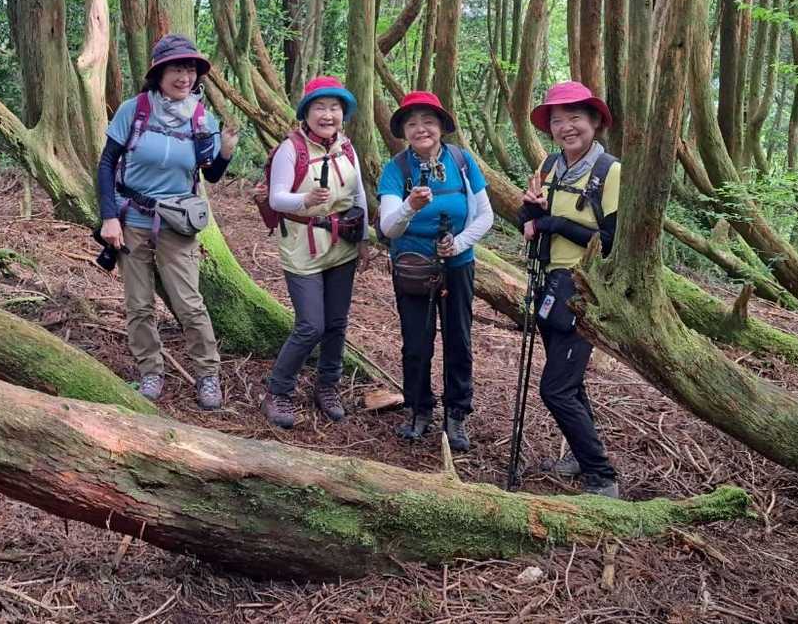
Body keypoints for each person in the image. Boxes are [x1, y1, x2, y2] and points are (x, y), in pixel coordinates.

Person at [96, 34, 238, 409]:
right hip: (132, 220)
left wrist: (225, 152)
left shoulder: (202, 118)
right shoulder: (135, 110)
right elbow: (107, 163)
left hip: (177, 223)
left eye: (190, 69)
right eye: (176, 68)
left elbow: (210, 175)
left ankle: (207, 375)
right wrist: (109, 217)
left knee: (189, 304)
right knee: (139, 304)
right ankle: (150, 371)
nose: (184, 76)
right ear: (159, 73)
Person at [517, 80, 620, 498]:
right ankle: (581, 456)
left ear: (594, 121)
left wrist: (556, 223)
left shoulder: (609, 171)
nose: (566, 127)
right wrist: (530, 211)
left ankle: (602, 477)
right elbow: (529, 222)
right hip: (548, 286)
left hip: (583, 292)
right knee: (570, 384)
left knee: (555, 389)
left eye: (575, 118)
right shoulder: (549, 166)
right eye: (558, 120)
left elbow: (612, 241)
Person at [378, 91, 494, 452]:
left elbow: (485, 215)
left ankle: (456, 414)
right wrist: (410, 206)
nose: (421, 129)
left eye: (428, 121)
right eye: (412, 123)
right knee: (416, 342)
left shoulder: (461, 161)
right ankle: (418, 409)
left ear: (441, 126)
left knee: (458, 340)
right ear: (404, 131)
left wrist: (458, 244)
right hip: (413, 268)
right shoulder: (397, 169)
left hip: (458, 266)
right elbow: (388, 227)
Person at [260, 77, 368, 428]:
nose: (327, 115)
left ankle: (328, 386)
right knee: (310, 325)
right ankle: (278, 391)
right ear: (306, 112)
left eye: (334, 108)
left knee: (336, 323)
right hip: (302, 246)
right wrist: (305, 200)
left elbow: (359, 195)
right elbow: (277, 198)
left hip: (342, 245)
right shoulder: (291, 149)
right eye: (320, 107)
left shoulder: (347, 148)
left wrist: (364, 239)